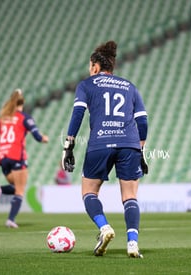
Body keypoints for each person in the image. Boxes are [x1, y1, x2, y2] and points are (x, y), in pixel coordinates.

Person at [62, 41, 148, 258]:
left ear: (95, 66)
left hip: (100, 143)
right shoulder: (129, 86)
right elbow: (143, 121)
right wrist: (142, 149)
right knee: (130, 196)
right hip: (129, 144)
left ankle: (105, 228)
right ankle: (133, 244)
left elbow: (78, 114)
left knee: (89, 192)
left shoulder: (87, 85)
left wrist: (68, 145)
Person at [0, 89, 48, 228]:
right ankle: (10, 219)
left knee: (15, 187)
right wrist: (44, 139)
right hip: (17, 156)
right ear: (23, 103)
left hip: (3, 158)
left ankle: (0, 190)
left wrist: (5, 144)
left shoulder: (3, 118)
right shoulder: (25, 118)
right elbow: (37, 136)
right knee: (20, 190)